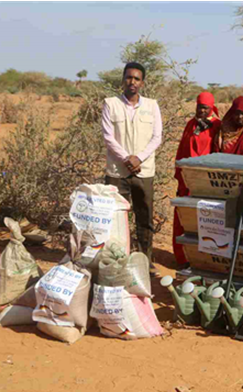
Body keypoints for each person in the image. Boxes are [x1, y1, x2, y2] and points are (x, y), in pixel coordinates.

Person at [102, 62, 162, 274]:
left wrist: (139, 159)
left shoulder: (152, 105)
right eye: (129, 78)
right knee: (115, 218)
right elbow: (108, 137)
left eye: (136, 79)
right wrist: (127, 158)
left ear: (142, 83)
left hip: (144, 171)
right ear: (123, 80)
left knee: (144, 217)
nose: (132, 82)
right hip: (117, 172)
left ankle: (146, 260)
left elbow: (157, 137)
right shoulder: (111, 104)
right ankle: (116, 259)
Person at [172, 91, 221, 269]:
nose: (201, 111)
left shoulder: (217, 126)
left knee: (205, 220)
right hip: (186, 180)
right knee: (183, 218)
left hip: (205, 181)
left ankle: (204, 259)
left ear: (211, 107)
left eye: (205, 108)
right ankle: (182, 257)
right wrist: (180, 175)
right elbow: (181, 150)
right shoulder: (190, 125)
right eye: (199, 107)